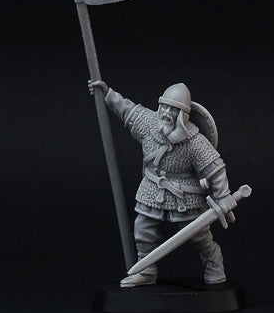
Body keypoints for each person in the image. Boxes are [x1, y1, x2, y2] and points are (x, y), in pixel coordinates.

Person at [89, 80, 237, 287]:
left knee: (199, 236)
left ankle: (214, 263)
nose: (167, 112)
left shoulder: (194, 141)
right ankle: (146, 271)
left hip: (185, 195)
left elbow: (215, 167)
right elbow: (126, 109)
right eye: (164, 106)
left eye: (173, 109)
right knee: (143, 230)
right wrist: (106, 93)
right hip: (152, 189)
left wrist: (223, 195)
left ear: (183, 114)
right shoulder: (149, 123)